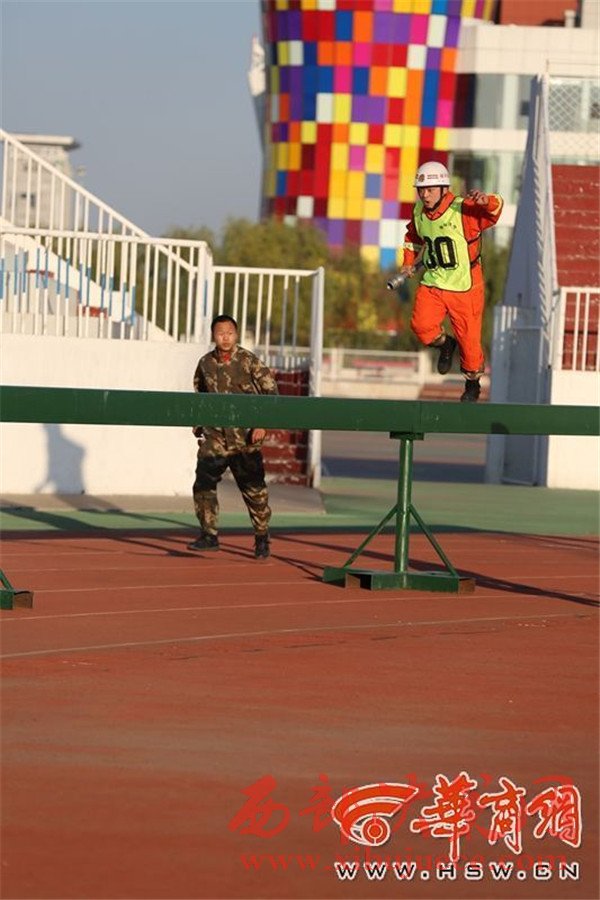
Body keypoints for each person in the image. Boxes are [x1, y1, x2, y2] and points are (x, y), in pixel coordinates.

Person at [399, 161, 503, 402]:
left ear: (444, 189)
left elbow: (496, 210)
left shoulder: (463, 210)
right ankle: (446, 345)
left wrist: (485, 201)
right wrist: (408, 261)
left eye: (430, 190)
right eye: (421, 190)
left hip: (465, 286)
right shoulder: (418, 212)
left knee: (470, 343)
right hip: (434, 281)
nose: (425, 195)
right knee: (422, 327)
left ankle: (472, 383)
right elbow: (412, 238)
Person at [188, 314, 278, 559]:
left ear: (236, 335)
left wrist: (262, 425)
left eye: (229, 333)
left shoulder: (249, 361)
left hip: (245, 438)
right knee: (203, 483)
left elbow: (272, 393)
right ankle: (209, 535)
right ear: (213, 335)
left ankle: (261, 537)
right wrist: (199, 425)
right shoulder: (205, 363)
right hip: (216, 437)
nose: (225, 338)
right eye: (220, 333)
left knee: (254, 491)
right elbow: (200, 395)